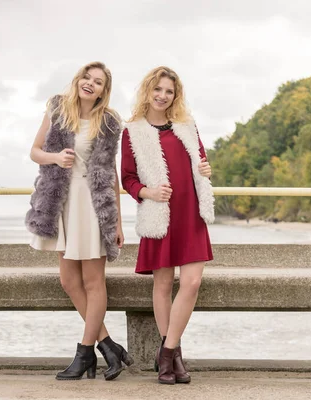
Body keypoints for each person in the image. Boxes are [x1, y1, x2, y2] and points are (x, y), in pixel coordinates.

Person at [26, 61, 131, 381]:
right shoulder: (58, 109)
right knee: (69, 281)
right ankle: (108, 346)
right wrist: (55, 157)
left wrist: (118, 222)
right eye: (87, 77)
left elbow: (111, 173)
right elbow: (34, 151)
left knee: (93, 281)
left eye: (98, 82)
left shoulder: (109, 122)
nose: (90, 84)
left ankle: (85, 352)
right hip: (61, 201)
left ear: (103, 91)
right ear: (78, 80)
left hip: (92, 205)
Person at [120, 66, 214, 385]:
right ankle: (172, 359)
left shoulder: (187, 126)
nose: (162, 96)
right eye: (157, 89)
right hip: (161, 213)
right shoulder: (132, 130)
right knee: (162, 285)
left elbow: (200, 164)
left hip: (191, 213)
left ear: (176, 95)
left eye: (169, 91)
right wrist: (149, 192)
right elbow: (128, 180)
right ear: (148, 90)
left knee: (191, 283)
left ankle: (168, 350)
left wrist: (205, 168)